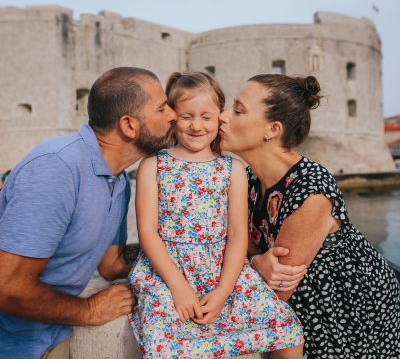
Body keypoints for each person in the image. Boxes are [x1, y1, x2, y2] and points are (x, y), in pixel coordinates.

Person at [0, 67, 177, 359]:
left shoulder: (118, 180)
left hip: (51, 335)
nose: (173, 114)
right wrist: (90, 309)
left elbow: (111, 264)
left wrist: (200, 257)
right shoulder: (58, 168)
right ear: (129, 126)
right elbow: (6, 288)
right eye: (162, 108)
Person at [218, 74, 400, 358]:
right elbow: (244, 243)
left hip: (349, 313)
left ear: (272, 129)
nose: (222, 117)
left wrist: (252, 261)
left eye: (238, 110)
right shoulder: (250, 180)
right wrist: (255, 261)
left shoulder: (311, 190)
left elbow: (278, 288)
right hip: (308, 312)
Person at [128, 71, 304, 359]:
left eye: (206, 116)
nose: (197, 125)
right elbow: (147, 232)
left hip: (222, 269)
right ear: (174, 117)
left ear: (219, 117)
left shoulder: (232, 169)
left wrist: (224, 290)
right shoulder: (153, 166)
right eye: (187, 116)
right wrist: (178, 286)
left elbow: (237, 234)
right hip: (168, 270)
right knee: (166, 344)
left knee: (288, 331)